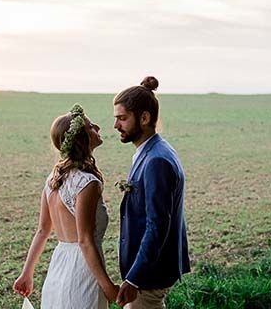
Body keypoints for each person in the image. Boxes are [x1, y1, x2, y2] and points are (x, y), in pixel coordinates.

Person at [13, 104, 119, 308]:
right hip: (83, 273)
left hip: (58, 268)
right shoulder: (87, 183)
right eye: (90, 126)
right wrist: (108, 287)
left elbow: (43, 230)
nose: (97, 126)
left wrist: (27, 273)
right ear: (81, 139)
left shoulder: (53, 179)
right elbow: (85, 240)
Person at [113, 76, 191, 308]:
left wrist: (134, 278)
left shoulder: (157, 160)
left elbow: (157, 225)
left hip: (149, 276)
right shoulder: (155, 150)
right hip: (147, 273)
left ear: (144, 118)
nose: (116, 125)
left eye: (122, 118)